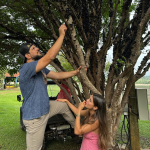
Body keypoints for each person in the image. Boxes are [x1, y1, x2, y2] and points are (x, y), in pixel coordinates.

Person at [18, 24, 84, 150]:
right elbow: (50, 57)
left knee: (64, 105)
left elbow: (58, 75)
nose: (37, 49)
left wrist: (76, 72)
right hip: (35, 117)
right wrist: (61, 35)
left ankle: (79, 130)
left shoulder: (40, 69)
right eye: (33, 48)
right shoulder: (26, 68)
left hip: (46, 108)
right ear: (27, 55)